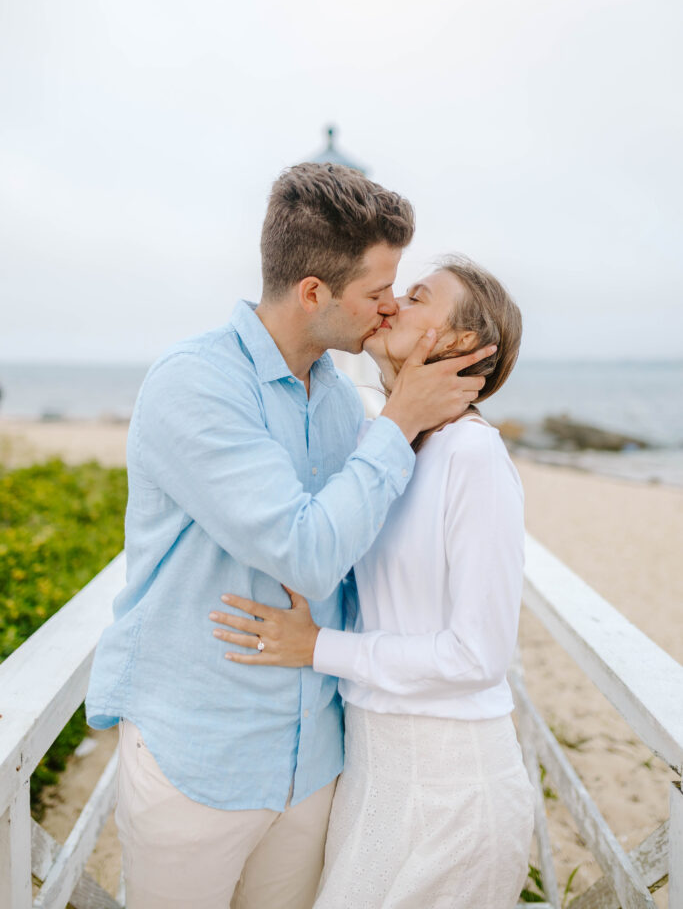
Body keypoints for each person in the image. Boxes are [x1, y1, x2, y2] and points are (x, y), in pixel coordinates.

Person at [85, 164, 495, 909]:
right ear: (313, 292)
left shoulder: (341, 401)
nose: (386, 309)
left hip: (313, 765)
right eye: (376, 293)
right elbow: (305, 552)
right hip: (199, 760)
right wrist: (402, 418)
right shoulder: (196, 384)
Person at [210, 255, 535, 909]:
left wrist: (315, 647)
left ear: (460, 343)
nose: (390, 305)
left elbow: (478, 655)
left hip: (449, 782)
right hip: (371, 768)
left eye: (416, 297)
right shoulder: (381, 443)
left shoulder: (471, 455)